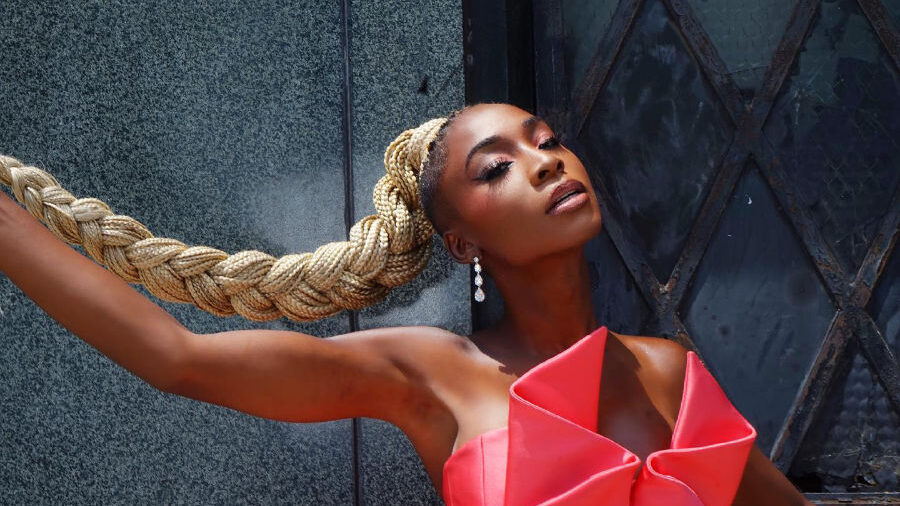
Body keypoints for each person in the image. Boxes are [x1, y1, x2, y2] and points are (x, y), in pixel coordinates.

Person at [0, 102, 811, 505]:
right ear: (461, 244)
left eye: (547, 140)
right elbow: (177, 359)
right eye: (494, 169)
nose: (545, 164)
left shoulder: (670, 371)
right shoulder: (431, 374)